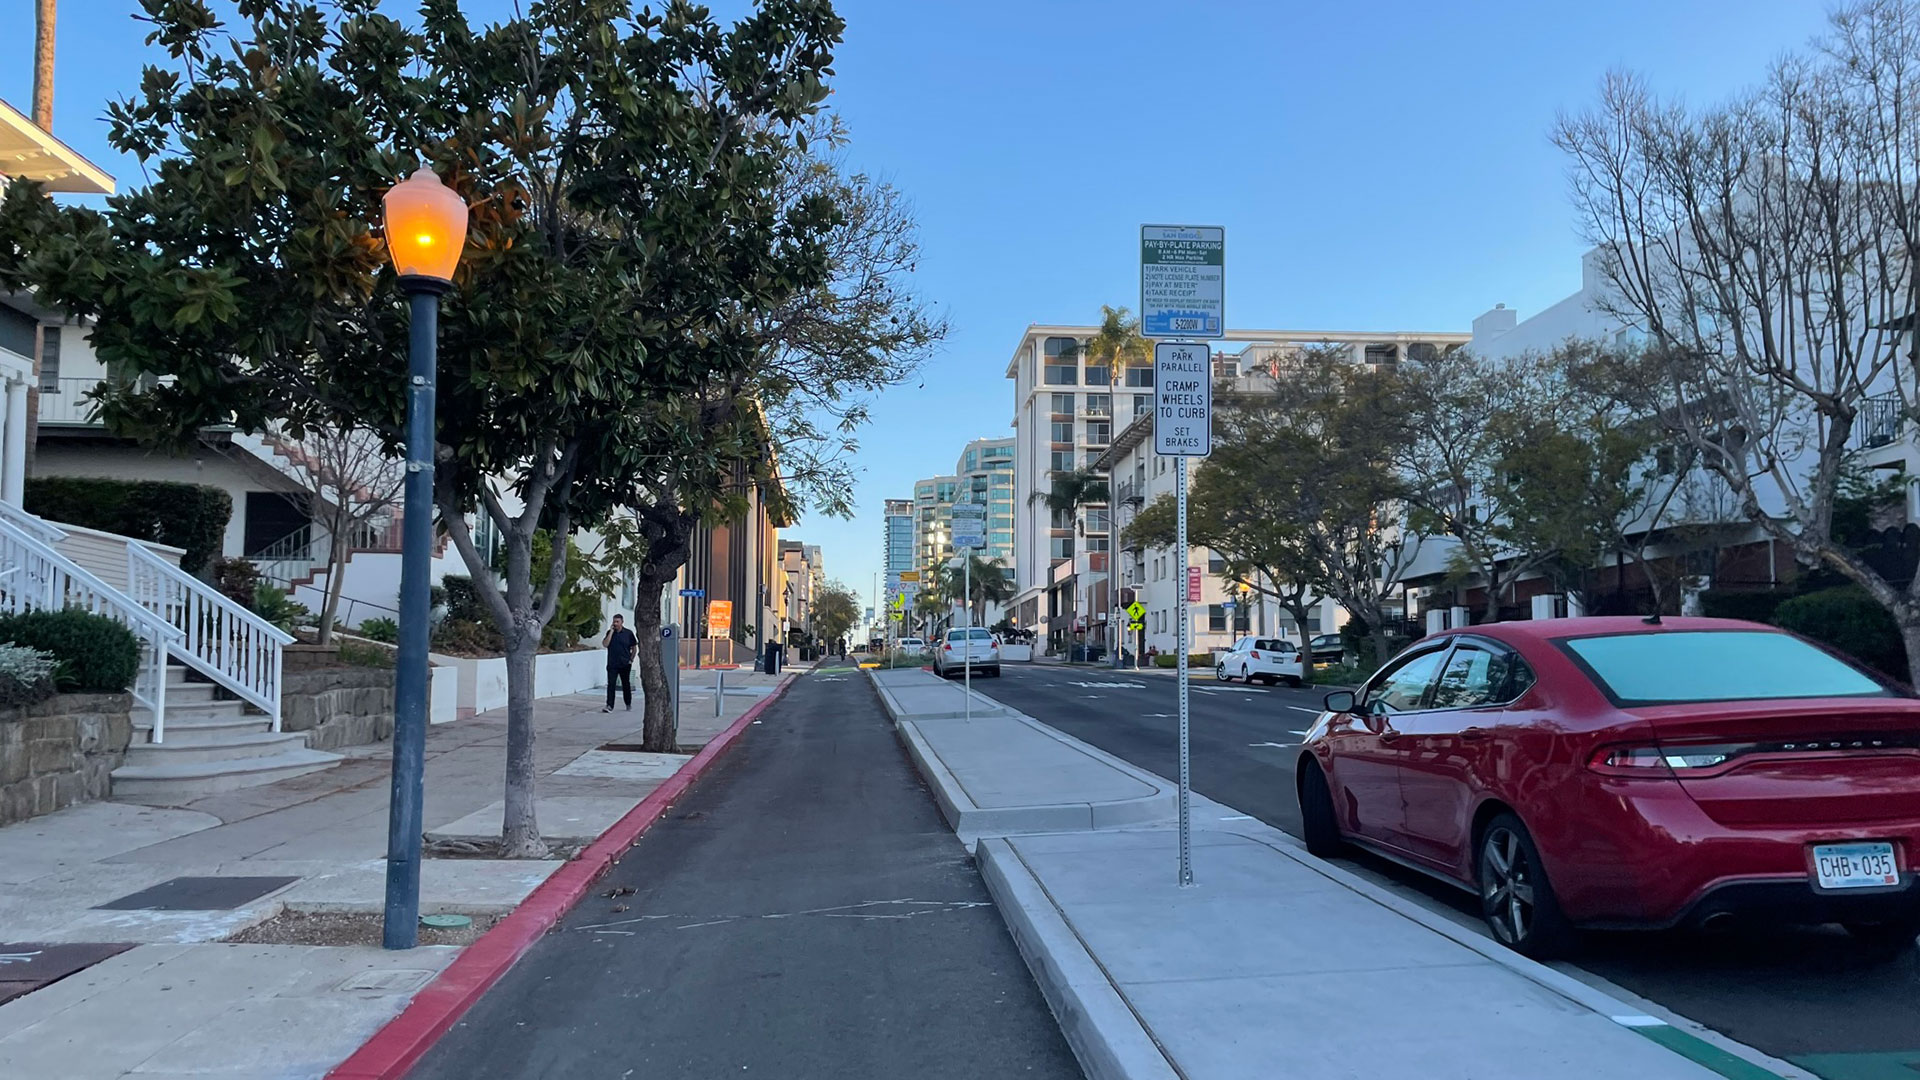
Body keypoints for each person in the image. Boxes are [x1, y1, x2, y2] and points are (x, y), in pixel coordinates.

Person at [602, 614, 637, 712]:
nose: (615, 623)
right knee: (611, 684)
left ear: (622, 622)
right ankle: (609, 705)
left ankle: (628, 703)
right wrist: (611, 632)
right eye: (614, 621)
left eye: (617, 621)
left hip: (625, 664)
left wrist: (631, 659)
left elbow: (634, 647)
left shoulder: (628, 633)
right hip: (612, 663)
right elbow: (605, 644)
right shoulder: (610, 633)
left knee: (626, 684)